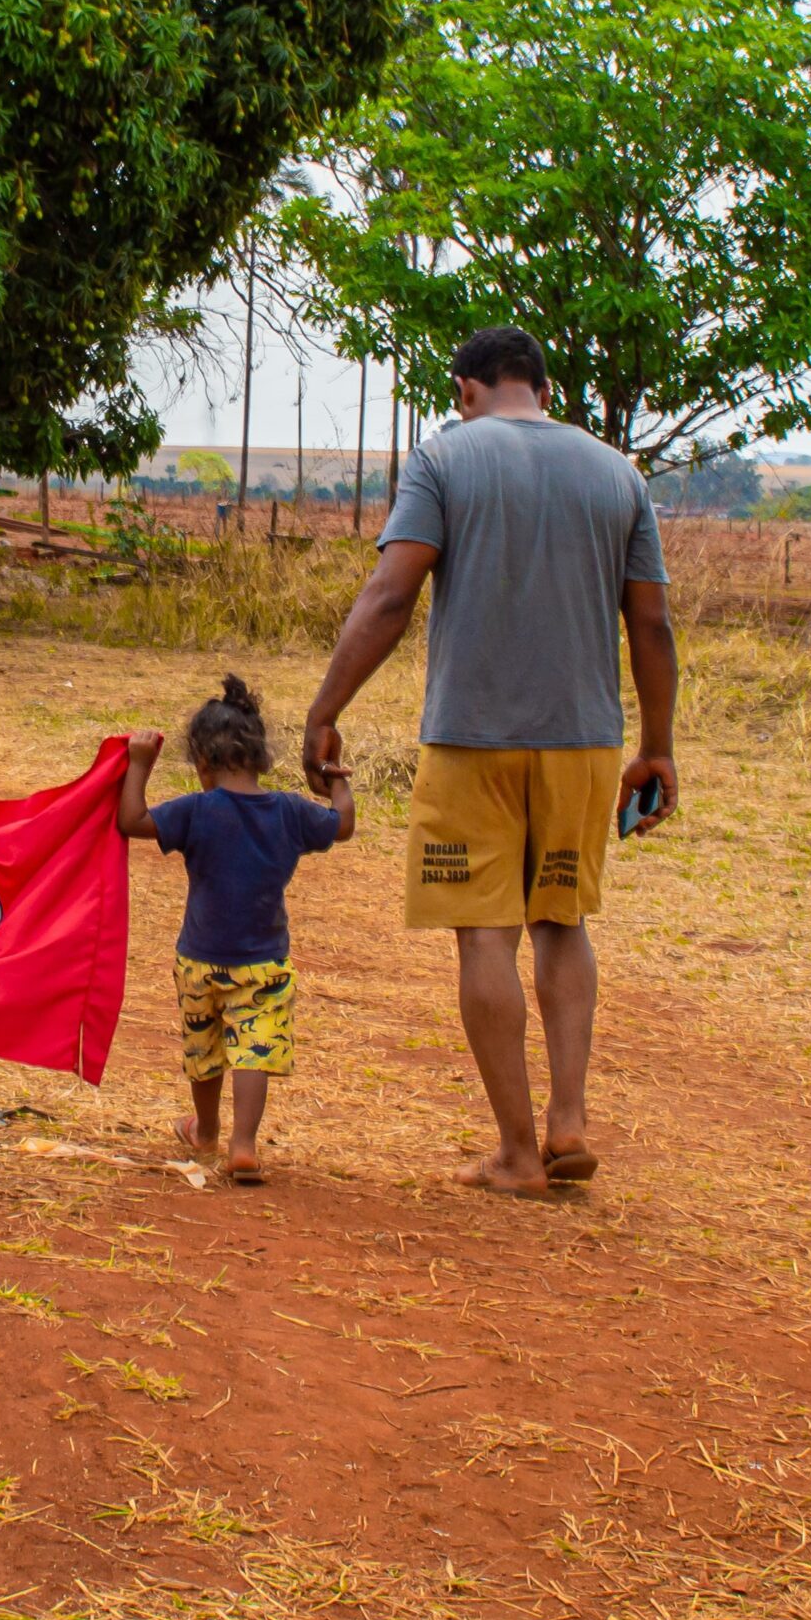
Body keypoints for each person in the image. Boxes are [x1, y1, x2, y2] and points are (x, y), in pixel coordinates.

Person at [302, 326, 677, 1200]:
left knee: (486, 932)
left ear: (466, 387)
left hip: (472, 739)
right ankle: (570, 1119)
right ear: (541, 388)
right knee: (562, 921)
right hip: (585, 741)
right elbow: (651, 623)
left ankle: (515, 1150)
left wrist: (327, 710)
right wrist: (656, 743)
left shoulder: (444, 459)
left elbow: (392, 593)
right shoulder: (618, 473)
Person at [116, 675, 354, 1184]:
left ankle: (205, 1129)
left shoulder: (196, 810)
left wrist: (139, 765)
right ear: (261, 756)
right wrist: (335, 776)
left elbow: (131, 820)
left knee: (205, 1051)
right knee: (254, 1047)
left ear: (202, 761)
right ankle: (242, 1145)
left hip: (200, 958)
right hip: (264, 961)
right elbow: (342, 823)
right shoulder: (289, 811)